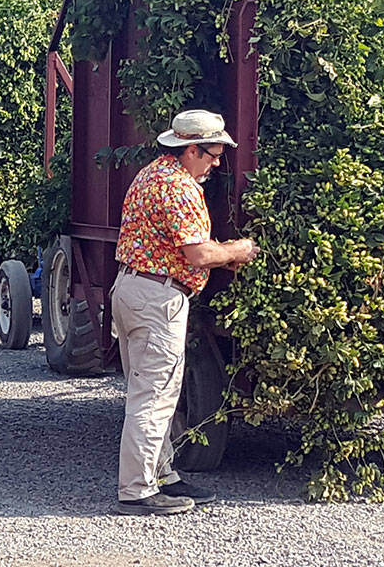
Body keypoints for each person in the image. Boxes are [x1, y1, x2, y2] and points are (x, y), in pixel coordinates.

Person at [111, 109, 260, 516]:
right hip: (157, 297)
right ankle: (137, 490)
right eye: (212, 153)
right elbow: (197, 253)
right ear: (190, 149)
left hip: (135, 288)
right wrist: (237, 251)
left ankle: (165, 476)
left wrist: (217, 256)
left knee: (154, 390)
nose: (216, 163)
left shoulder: (151, 175)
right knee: (154, 396)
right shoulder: (178, 187)